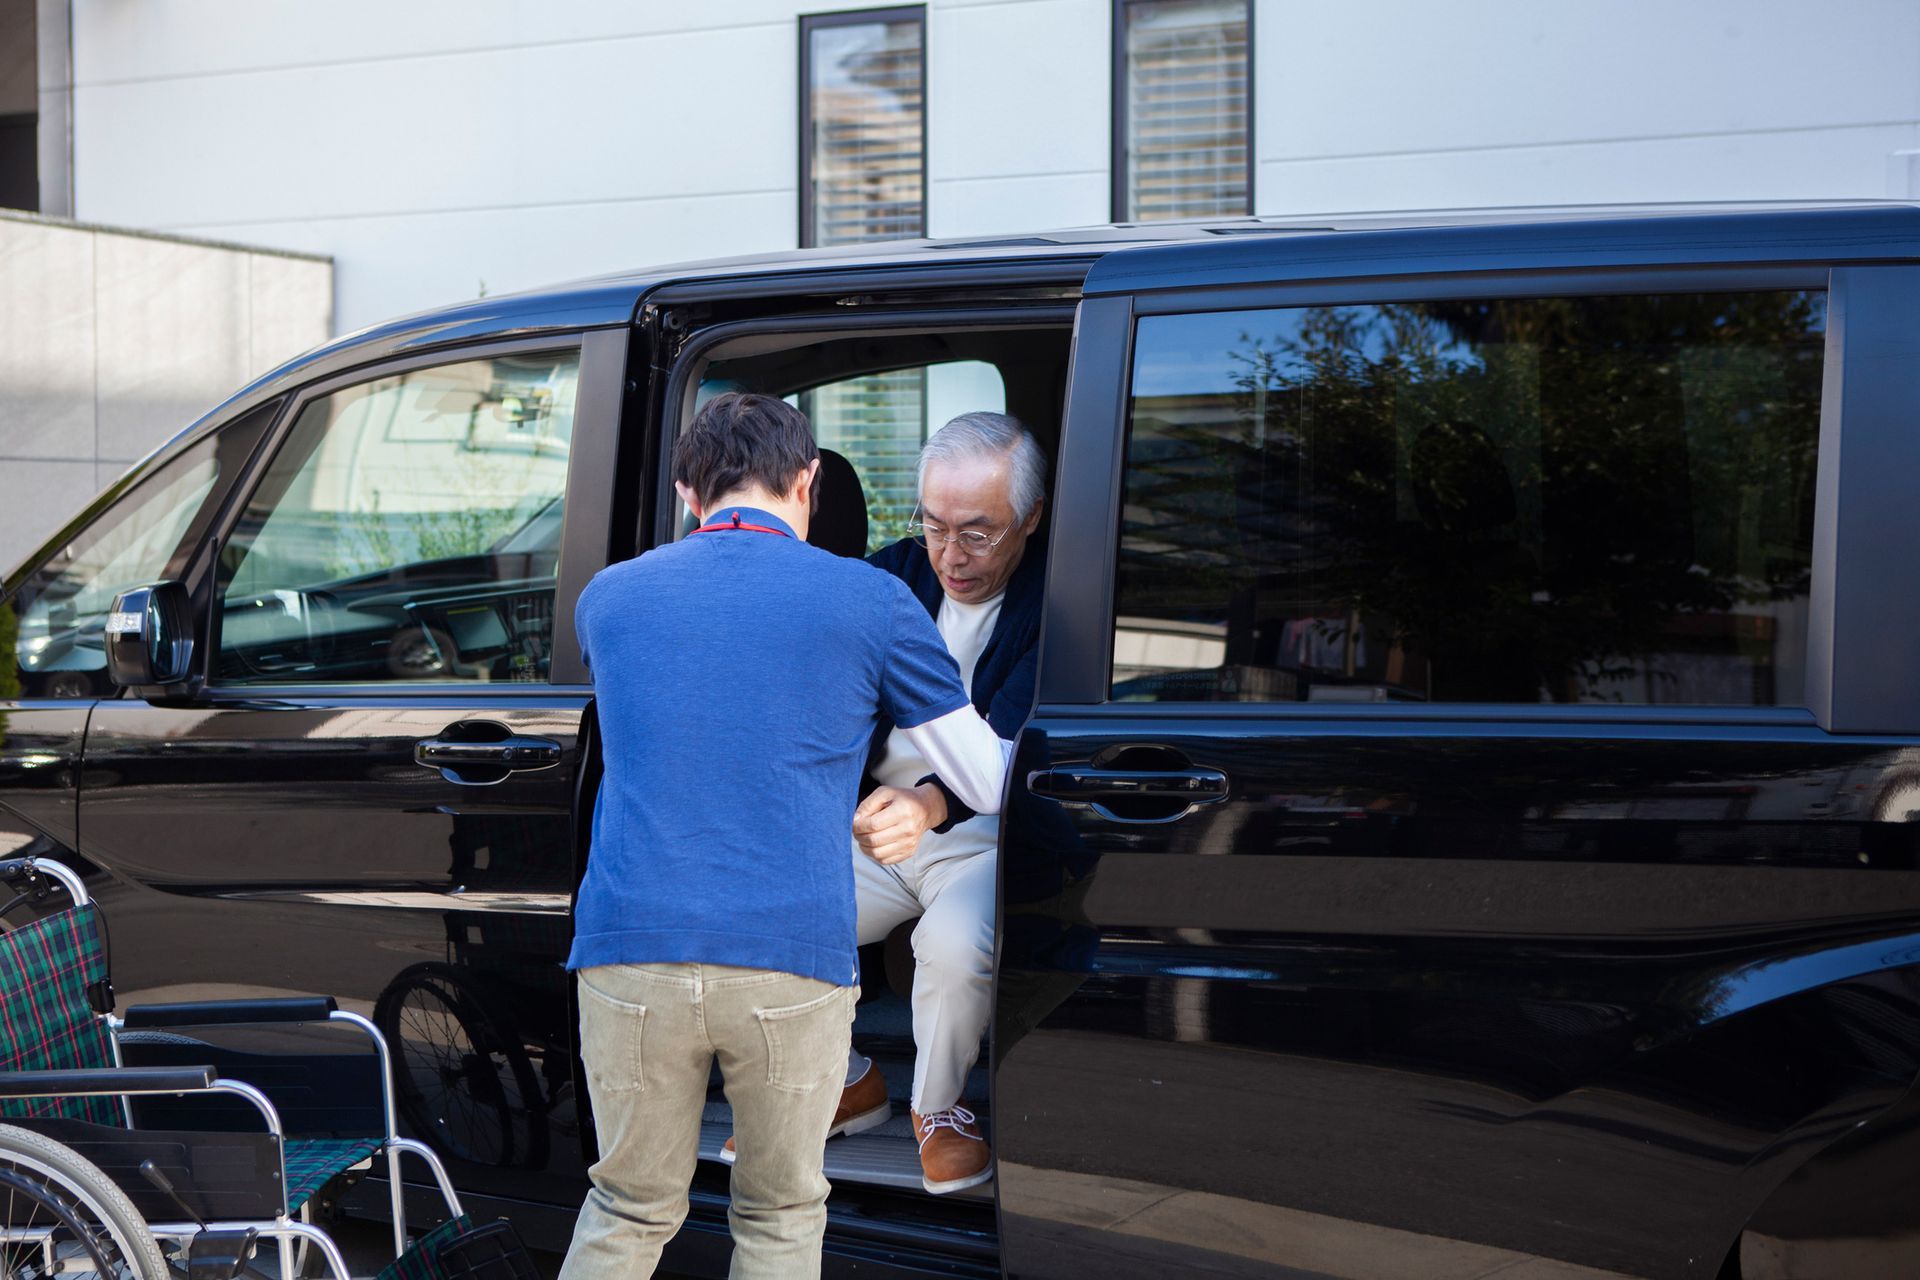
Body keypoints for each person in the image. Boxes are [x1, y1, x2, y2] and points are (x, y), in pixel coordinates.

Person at [559, 393, 1010, 1280]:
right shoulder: (872, 601)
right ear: (807, 481)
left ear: (690, 491)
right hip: (790, 958)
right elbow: (988, 779)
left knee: (626, 1205)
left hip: (628, 951)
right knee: (779, 1213)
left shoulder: (607, 600)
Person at [721, 411, 1047, 1194]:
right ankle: (848, 1079)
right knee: (767, 908)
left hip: (990, 837)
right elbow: (820, 705)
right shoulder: (889, 576)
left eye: (978, 532)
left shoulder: (1055, 602)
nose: (950, 555)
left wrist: (928, 809)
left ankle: (938, 1110)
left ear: (1029, 521)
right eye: (934, 526)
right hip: (874, 825)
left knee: (956, 941)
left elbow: (1013, 745)